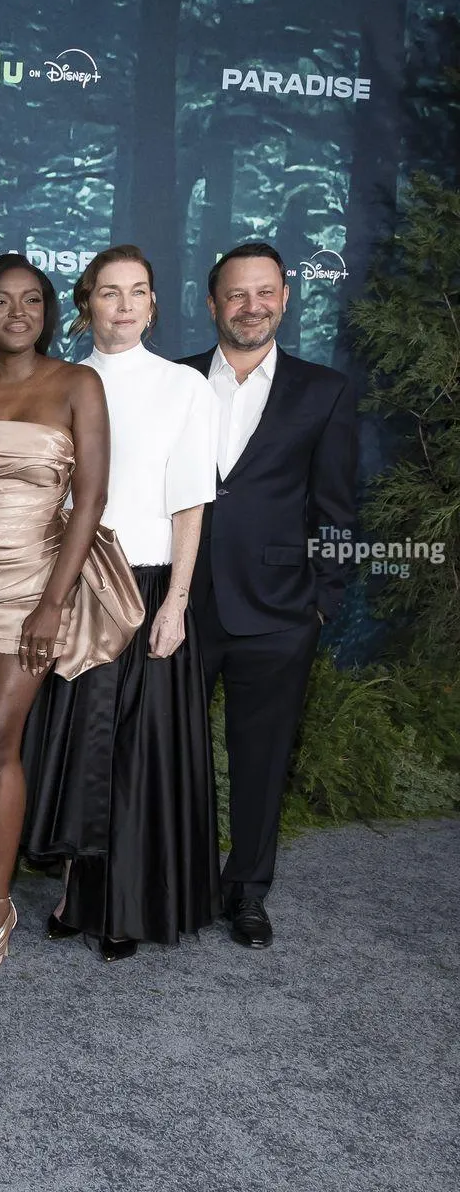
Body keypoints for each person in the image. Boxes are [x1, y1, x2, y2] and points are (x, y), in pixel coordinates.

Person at [0, 253, 140, 977]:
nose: (18, 313)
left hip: (32, 588)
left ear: (48, 312)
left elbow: (92, 498)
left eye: (32, 300)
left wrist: (53, 603)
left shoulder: (78, 384)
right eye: (1, 301)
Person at [22, 246, 222, 960]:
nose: (126, 305)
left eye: (139, 291)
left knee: (135, 753)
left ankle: (124, 907)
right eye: (110, 292)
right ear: (87, 303)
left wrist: (177, 603)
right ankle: (75, 893)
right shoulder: (58, 382)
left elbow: (190, 502)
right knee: (76, 742)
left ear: (154, 304)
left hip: (147, 586)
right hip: (71, 584)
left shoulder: (183, 387)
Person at [177, 242, 357, 949]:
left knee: (262, 760)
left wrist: (323, 601)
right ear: (212, 303)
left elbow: (336, 508)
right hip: (182, 606)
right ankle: (181, 882)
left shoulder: (324, 390)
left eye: (263, 292)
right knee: (174, 755)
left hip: (281, 612)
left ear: (284, 297)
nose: (250, 306)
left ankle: (247, 890)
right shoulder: (179, 380)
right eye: (235, 294)